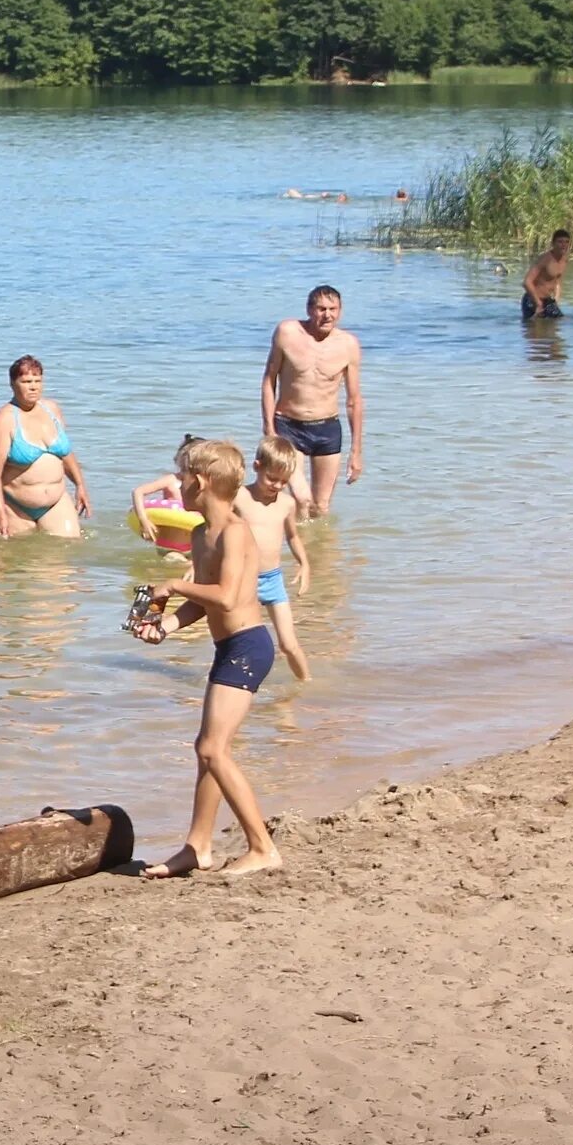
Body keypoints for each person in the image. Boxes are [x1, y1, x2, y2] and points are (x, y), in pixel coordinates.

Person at [134, 438, 312, 881]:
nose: (177, 488)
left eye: (182, 479)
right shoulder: (200, 535)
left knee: (212, 748)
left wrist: (173, 584)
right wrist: (167, 628)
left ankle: (262, 847)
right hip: (227, 648)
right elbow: (204, 605)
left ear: (202, 482)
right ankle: (198, 848)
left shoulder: (235, 532)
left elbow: (229, 596)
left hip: (250, 647)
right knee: (208, 752)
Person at [260, 286, 365, 515]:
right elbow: (269, 380)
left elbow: (354, 401)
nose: (327, 314)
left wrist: (356, 452)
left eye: (333, 309)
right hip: (289, 426)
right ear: (309, 310)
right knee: (301, 498)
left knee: (321, 506)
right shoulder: (287, 332)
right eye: (321, 309)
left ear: (340, 311)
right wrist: (269, 427)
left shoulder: (348, 344)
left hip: (327, 428)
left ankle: (318, 549)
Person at [0, 356, 90, 537]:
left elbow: (66, 453)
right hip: (16, 507)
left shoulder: (52, 409)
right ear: (12, 384)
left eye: (37, 381)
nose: (33, 387)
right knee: (20, 561)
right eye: (26, 381)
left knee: (69, 551)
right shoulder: (4, 420)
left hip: (56, 501)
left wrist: (80, 485)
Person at [239, 436, 313, 656]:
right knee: (239, 640)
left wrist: (304, 564)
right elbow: (215, 531)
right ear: (257, 466)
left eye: (284, 481)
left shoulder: (287, 504)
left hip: (273, 580)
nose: (278, 486)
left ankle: (305, 683)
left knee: (289, 645)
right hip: (243, 579)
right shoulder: (239, 497)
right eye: (272, 478)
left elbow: (292, 537)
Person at [522, 229, 573, 319]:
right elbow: (527, 282)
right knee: (535, 329)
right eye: (560, 242)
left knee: (560, 321)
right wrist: (538, 303)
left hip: (547, 300)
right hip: (532, 300)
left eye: (566, 242)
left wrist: (556, 302)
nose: (564, 245)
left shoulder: (564, 260)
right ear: (553, 243)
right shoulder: (545, 259)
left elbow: (557, 282)